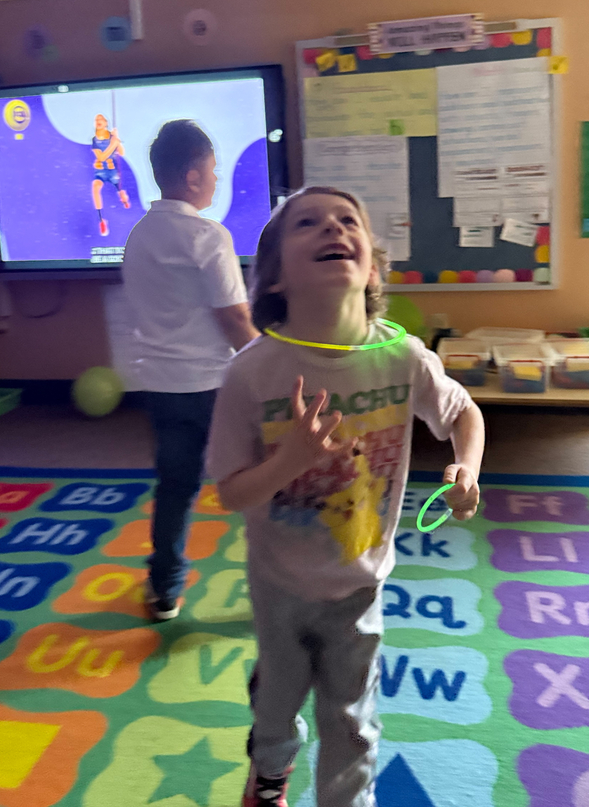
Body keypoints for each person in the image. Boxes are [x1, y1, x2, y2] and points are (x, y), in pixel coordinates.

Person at [207, 186, 484, 807]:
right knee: (276, 712)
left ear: (372, 267)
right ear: (275, 275)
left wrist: (466, 470)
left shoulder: (401, 357)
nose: (333, 227)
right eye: (309, 222)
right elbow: (230, 493)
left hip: (361, 584)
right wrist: (292, 459)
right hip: (279, 584)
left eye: (347, 219)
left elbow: (464, 414)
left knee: (352, 724)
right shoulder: (251, 372)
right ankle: (271, 771)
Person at [123, 119, 258, 621]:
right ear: (192, 176)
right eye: (213, 170)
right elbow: (235, 319)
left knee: (176, 485)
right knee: (255, 482)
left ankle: (164, 590)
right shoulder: (208, 236)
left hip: (159, 385)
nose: (217, 179)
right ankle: (281, 582)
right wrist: (273, 367)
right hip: (215, 386)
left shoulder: (138, 235)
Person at [91, 113, 130, 237]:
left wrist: (117, 140)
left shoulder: (112, 136)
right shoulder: (95, 140)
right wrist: (113, 144)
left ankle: (123, 198)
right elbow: (101, 157)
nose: (99, 121)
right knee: (95, 187)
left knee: (121, 194)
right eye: (97, 119)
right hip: (101, 171)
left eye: (101, 119)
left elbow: (122, 153)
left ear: (106, 123)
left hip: (113, 171)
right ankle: (101, 219)